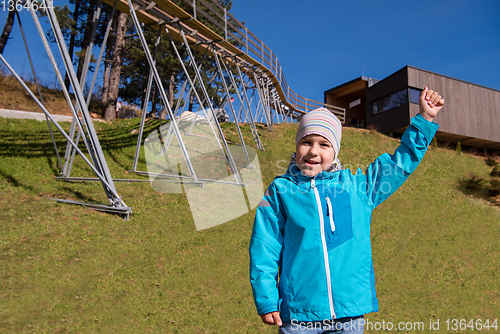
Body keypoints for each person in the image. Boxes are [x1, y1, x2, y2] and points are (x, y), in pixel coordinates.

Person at [249, 88, 444, 333]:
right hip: (299, 314)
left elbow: (399, 164)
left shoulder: (357, 188)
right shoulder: (280, 190)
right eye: (306, 142)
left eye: (324, 144)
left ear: (335, 151)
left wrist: (425, 120)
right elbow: (265, 245)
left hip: (349, 313)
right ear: (296, 145)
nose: (313, 151)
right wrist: (266, 299)